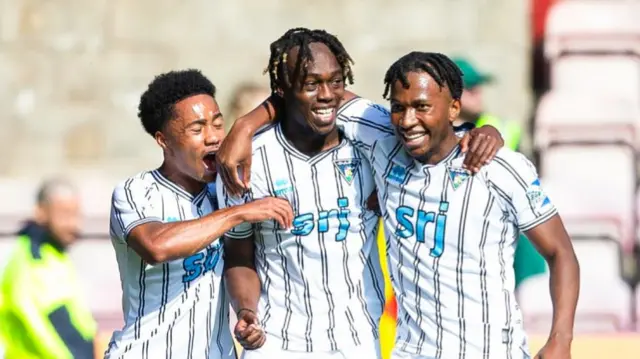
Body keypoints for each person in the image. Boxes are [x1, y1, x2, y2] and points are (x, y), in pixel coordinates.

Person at [215, 28, 504, 359]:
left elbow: (437, 135)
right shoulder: (247, 162)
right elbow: (238, 252)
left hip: (357, 341)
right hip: (276, 343)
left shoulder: (371, 136)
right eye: (311, 85)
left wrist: (485, 131)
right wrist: (246, 311)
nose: (328, 95)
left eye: (336, 82)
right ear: (281, 90)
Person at [371, 51, 579, 359]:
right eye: (398, 107)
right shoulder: (382, 152)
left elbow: (561, 253)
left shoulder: (499, 167)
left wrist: (560, 339)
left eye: (422, 107)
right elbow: (325, 95)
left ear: (454, 107)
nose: (407, 119)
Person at [104, 69, 293, 359]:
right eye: (197, 129)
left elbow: (239, 260)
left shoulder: (227, 192)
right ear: (163, 140)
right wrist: (237, 214)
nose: (213, 137)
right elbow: (156, 246)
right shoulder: (134, 191)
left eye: (218, 124)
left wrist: (246, 311)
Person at [453, 56, 547, 289]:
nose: (478, 94)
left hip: (506, 226)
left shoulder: (504, 129)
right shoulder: (435, 136)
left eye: (478, 87)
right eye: (470, 88)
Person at [0, 179, 97, 359]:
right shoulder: (35, 261)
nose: (75, 225)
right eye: (65, 215)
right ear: (41, 212)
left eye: (77, 215)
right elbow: (63, 329)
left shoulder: (52, 253)